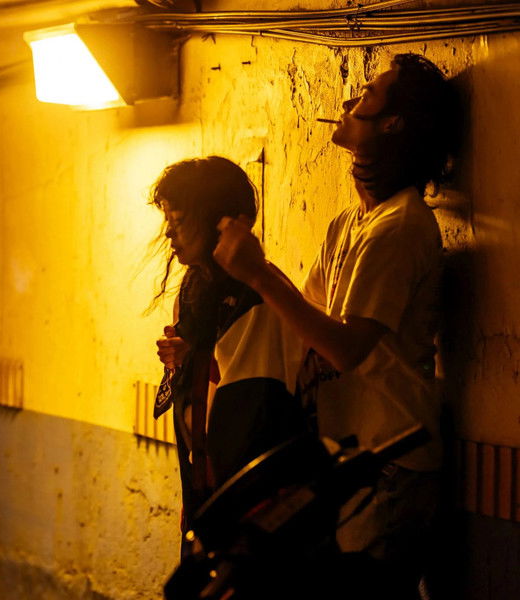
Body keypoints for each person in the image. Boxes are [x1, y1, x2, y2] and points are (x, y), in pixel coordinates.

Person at [212, 53, 460, 597]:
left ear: (392, 124)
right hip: (352, 459)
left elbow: (346, 349)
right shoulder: (350, 223)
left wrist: (259, 273)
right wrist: (209, 355)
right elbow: (304, 332)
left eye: (368, 95)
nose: (349, 101)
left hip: (392, 459)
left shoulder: (399, 227)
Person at [150, 156, 307, 555]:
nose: (168, 233)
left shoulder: (255, 297)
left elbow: (247, 423)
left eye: (179, 220)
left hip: (253, 509)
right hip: (212, 497)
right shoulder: (197, 290)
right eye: (168, 219)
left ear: (222, 223)